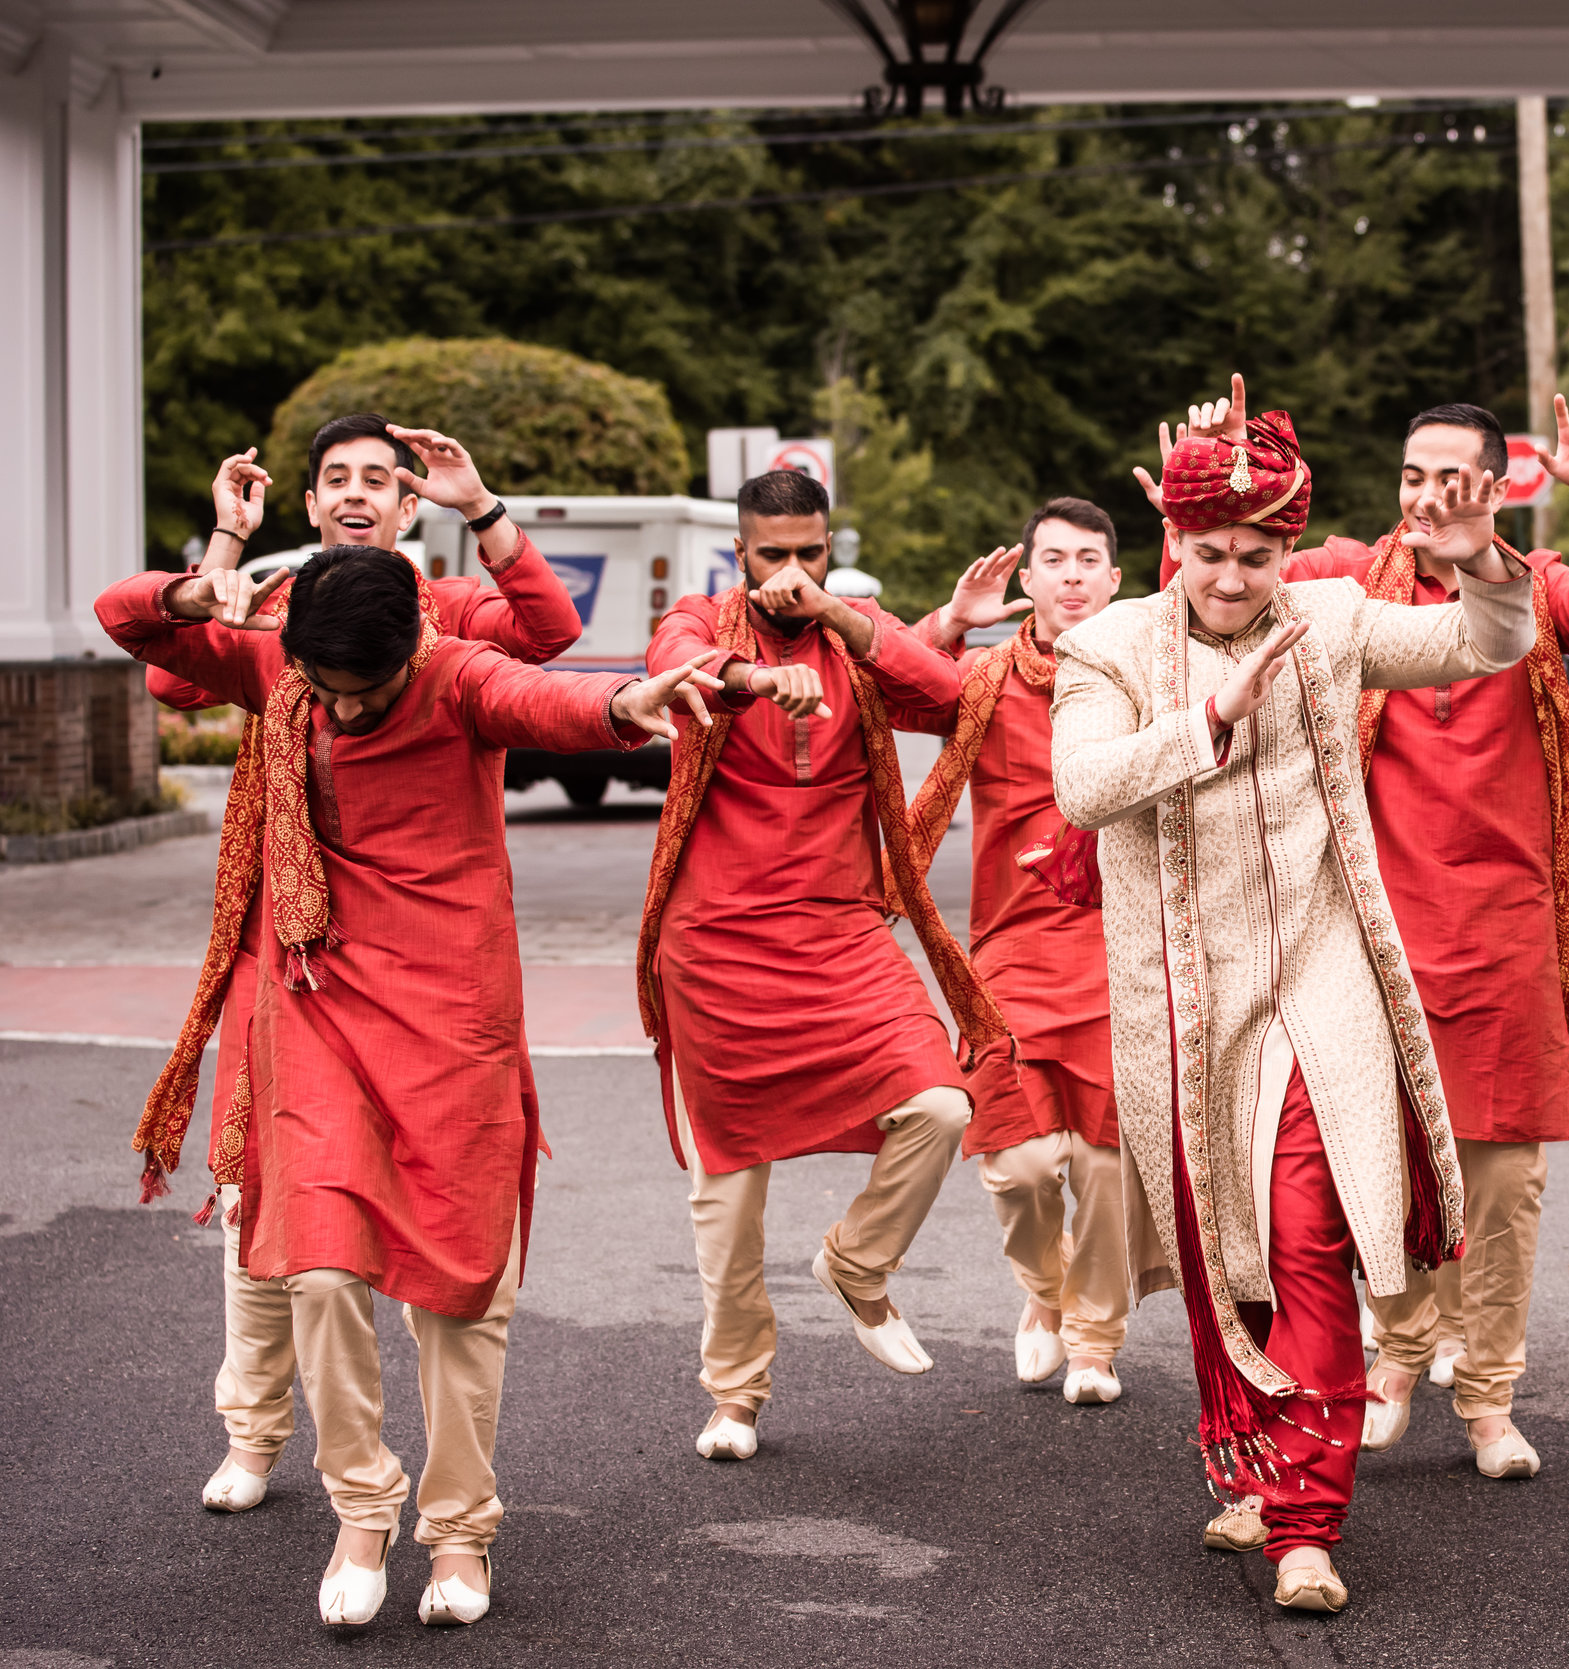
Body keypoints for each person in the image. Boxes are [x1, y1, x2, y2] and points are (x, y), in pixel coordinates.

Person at [100, 544, 719, 1628]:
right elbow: (132, 624)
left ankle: (463, 1529)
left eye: (365, 691)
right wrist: (202, 589)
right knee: (322, 1272)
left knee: (460, 1290)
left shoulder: (457, 676)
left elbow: (544, 694)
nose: (344, 711)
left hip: (452, 1021)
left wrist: (630, 700)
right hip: (321, 1005)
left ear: (410, 652)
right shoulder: (287, 673)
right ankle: (362, 1508)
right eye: (327, 693)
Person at [1053, 393, 1533, 1612]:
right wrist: (1210, 715)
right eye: (1207, 553)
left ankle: (1306, 1525)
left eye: (1255, 556)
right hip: (1184, 993)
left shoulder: (1326, 620)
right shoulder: (1106, 645)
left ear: (1288, 551)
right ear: (1174, 544)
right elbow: (1081, 787)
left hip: (1319, 976)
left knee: (1310, 1228)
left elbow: (1482, 646)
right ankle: (1253, 1465)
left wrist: (1478, 558)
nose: (1229, 577)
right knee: (1234, 1250)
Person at [1145, 392, 1569, 1475]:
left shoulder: (1526, 584)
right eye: (1412, 474)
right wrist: (1209, 476)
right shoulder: (1340, 577)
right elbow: (1210, 597)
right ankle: (1394, 1357)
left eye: (1450, 478)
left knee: (1501, 1185)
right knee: (1372, 1165)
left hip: (1507, 932)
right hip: (1369, 930)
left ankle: (1487, 1397)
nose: (1427, 495)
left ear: (1495, 485)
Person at [132, 414, 583, 1521]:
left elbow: (551, 634)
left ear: (405, 503)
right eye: (334, 477)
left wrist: (482, 509)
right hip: (278, 938)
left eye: (377, 479)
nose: (353, 492)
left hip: (418, 962)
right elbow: (173, 686)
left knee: (379, 1214)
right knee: (261, 1190)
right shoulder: (279, 610)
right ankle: (253, 1427)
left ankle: (426, 1496)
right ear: (310, 502)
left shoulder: (445, 619)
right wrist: (223, 552)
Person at [634, 468, 977, 1467]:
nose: (791, 571)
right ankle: (736, 1391)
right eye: (772, 554)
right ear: (739, 553)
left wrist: (836, 616)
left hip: (837, 931)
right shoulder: (699, 617)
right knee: (728, 1191)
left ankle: (856, 1262)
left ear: (830, 548)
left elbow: (950, 698)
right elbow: (682, 660)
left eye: (809, 552)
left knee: (942, 1105)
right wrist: (750, 677)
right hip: (716, 944)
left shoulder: (850, 633)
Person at [902, 498, 1142, 1404]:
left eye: (1090, 558)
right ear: (1028, 579)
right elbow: (883, 682)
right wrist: (953, 621)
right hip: (1008, 948)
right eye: (1055, 559)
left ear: (1117, 580)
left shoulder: (1150, 673)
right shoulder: (981, 680)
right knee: (1023, 1164)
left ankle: (1094, 1339)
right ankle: (1046, 1294)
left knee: (1110, 1166)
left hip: (1124, 945)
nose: (1073, 574)